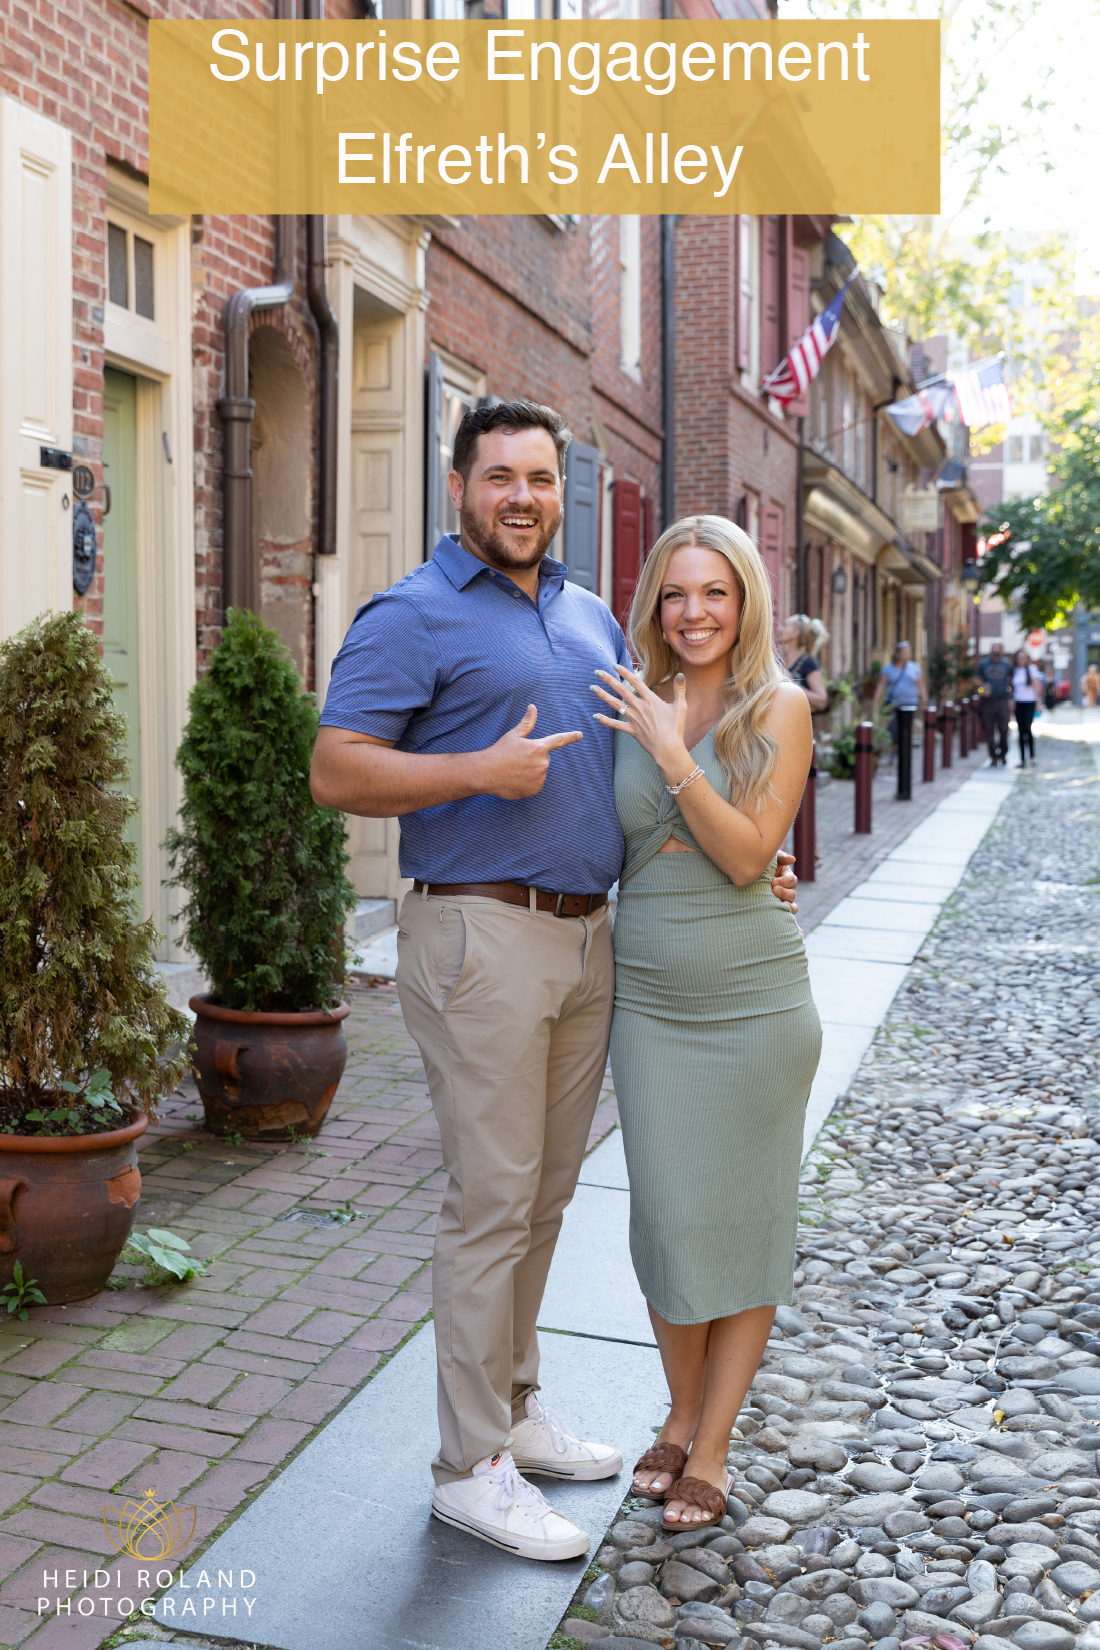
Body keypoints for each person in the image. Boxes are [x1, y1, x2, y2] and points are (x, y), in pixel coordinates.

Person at [310, 402, 797, 1562]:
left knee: (539, 1200)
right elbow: (335, 768)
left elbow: (654, 776)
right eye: (497, 477)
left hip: (590, 943)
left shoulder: (586, 616)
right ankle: (466, 1466)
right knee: (488, 1204)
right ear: (457, 485)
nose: (521, 496)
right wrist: (476, 768)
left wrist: (752, 863)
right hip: (479, 933)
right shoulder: (411, 614)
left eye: (539, 476)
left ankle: (516, 1413)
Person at [591, 515, 822, 1533]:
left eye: (713, 593)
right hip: (648, 1004)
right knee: (669, 1223)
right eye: (675, 594)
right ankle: (678, 1408)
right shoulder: (627, 698)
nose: (693, 613)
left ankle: (709, 1442)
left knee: (744, 1226)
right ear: (653, 604)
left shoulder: (779, 706)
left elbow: (743, 856)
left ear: (745, 603)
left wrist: (668, 753)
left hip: (755, 1006)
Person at [873, 640, 926, 759]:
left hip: (911, 704)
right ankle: (896, 749)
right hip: (893, 704)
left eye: (909, 651)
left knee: (906, 729)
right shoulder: (888, 668)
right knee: (893, 728)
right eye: (905, 651)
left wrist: (925, 702)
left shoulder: (915, 668)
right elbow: (881, 686)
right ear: (898, 654)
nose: (908, 654)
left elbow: (921, 686)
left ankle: (903, 752)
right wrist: (876, 702)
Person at [777, 614, 829, 712]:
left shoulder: (807, 662)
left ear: (795, 634)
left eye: (784, 625)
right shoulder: (777, 662)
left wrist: (794, 685)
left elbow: (822, 701)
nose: (779, 628)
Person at [976, 641, 1013, 766]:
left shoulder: (1006, 664)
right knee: (989, 731)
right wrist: (982, 685)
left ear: (1002, 650)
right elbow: (976, 679)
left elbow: (1011, 681)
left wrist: (1011, 698)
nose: (994, 650)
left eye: (997, 648)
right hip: (987, 702)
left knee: (1004, 730)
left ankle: (1003, 753)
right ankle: (993, 756)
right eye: (993, 647)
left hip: (1002, 702)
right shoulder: (983, 664)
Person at [1012, 648, 1044, 767]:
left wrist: (1038, 703)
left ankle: (1032, 756)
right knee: (1020, 731)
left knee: (1027, 728)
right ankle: (1021, 760)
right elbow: (1012, 688)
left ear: (1026, 658)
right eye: (1019, 658)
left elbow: (1036, 686)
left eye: (1023, 657)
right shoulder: (1015, 670)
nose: (1021, 660)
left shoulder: (1032, 669)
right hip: (1018, 702)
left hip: (1030, 702)